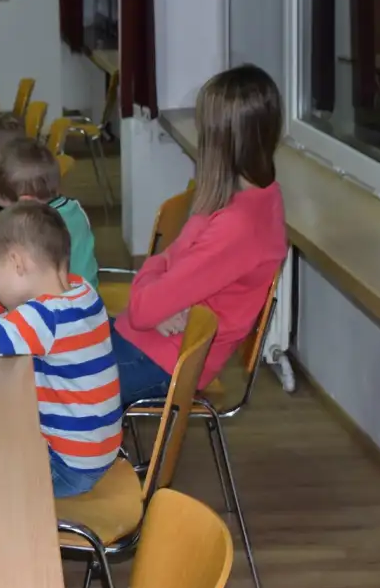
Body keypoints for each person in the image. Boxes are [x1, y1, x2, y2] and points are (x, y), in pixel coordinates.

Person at [111, 64, 286, 404]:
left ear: (218, 138)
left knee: (35, 388)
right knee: (39, 352)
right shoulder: (256, 197)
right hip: (148, 341)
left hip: (163, 360)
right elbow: (162, 268)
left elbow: (145, 305)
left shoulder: (238, 226)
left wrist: (153, 292)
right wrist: (156, 294)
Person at [0, 201, 121, 498]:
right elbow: (18, 301)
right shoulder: (81, 292)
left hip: (66, 466)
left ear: (17, 263)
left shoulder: (43, 318)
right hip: (97, 451)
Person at [0, 137, 99, 287]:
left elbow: (6, 268)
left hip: (64, 303)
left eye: (6, 208)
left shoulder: (35, 224)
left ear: (25, 201)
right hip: (87, 296)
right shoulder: (72, 208)